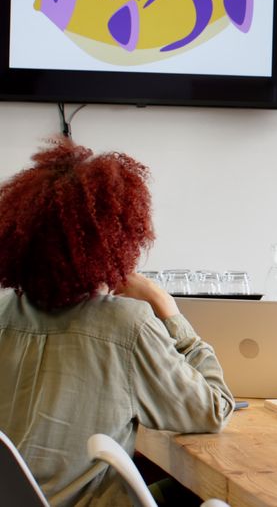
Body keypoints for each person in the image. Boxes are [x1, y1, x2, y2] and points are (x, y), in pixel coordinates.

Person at [0, 139, 235, 506]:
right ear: (117, 240)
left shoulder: (2, 312)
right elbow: (213, 410)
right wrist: (167, 308)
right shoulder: (126, 324)